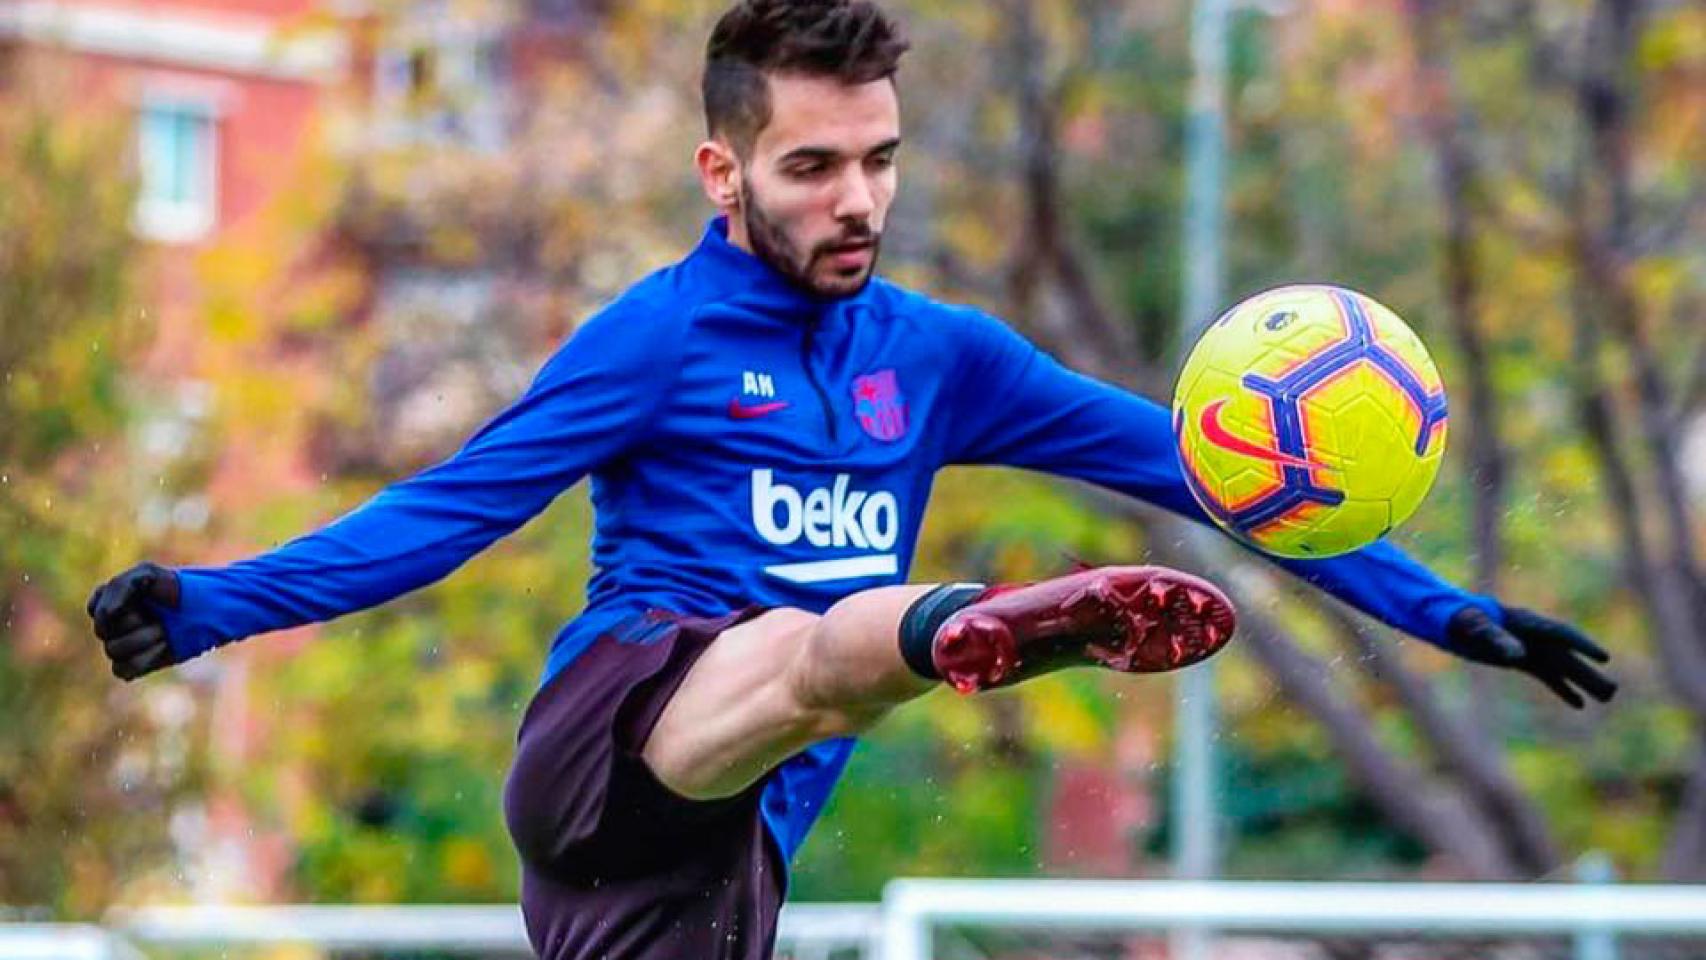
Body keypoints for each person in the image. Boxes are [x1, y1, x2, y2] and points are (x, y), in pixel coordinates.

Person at [87, 1, 1617, 956]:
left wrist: (1443, 611)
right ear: (723, 174)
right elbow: (450, 509)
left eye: (878, 159)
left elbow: (1217, 476)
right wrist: (215, 605)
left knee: (821, 682)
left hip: (723, 851)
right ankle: (968, 625)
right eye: (813, 167)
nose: (858, 199)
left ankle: (941, 632)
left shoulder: (941, 358)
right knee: (820, 649)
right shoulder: (657, 338)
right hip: (616, 739)